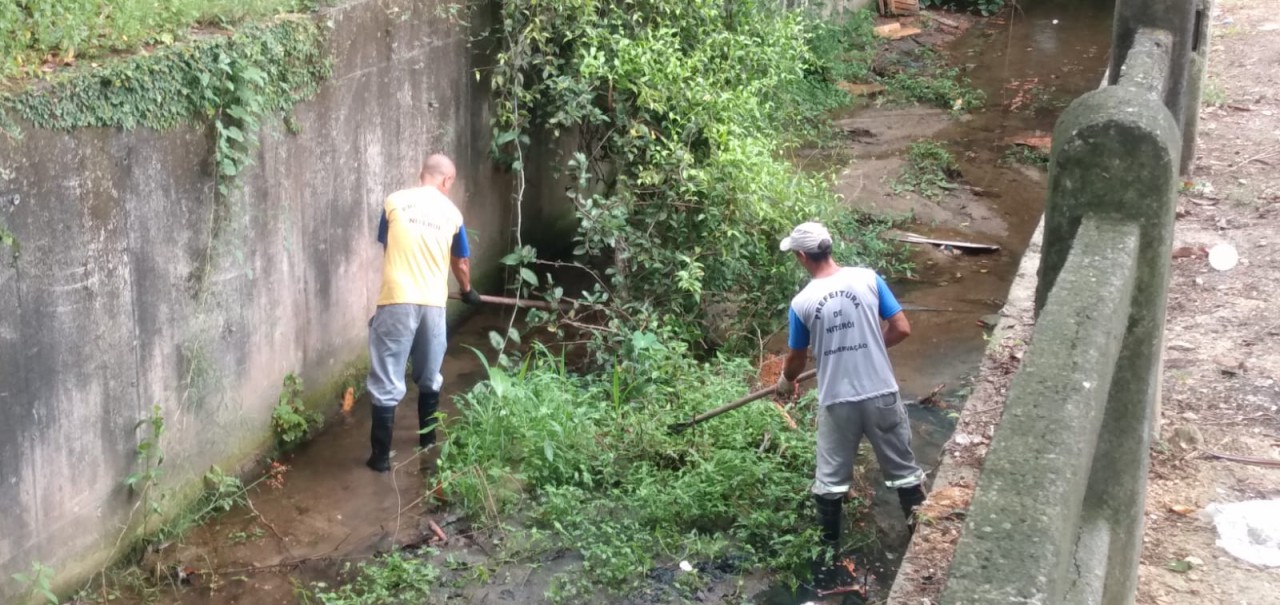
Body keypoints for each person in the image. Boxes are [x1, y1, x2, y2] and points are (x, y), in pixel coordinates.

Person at [775, 221, 927, 579]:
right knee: (905, 475)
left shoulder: (802, 303)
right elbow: (902, 328)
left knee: (829, 484)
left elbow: (797, 358)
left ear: (801, 256)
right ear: (828, 247)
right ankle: (922, 548)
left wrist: (786, 381)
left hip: (838, 402)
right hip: (882, 394)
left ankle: (829, 562)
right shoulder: (869, 278)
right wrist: (872, 343)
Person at [366, 154, 482, 473]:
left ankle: (379, 460)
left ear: (422, 175)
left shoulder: (394, 202)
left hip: (396, 300)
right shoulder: (453, 214)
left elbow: (389, 246)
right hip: (433, 304)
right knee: (430, 374)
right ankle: (427, 443)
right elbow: (460, 263)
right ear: (446, 181)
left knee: (387, 375)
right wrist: (469, 291)